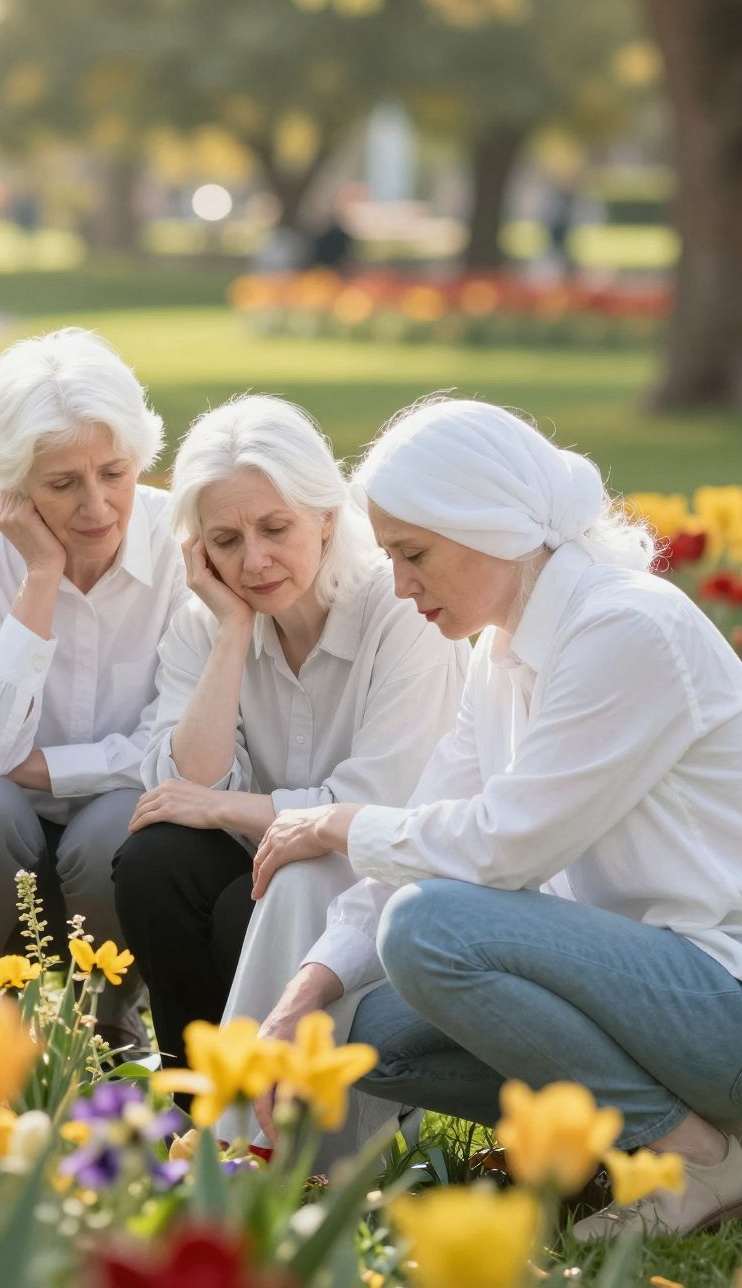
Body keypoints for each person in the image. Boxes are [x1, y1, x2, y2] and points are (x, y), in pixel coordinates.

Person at [248, 397, 742, 1238]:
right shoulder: (497, 655)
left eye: (414, 554)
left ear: (489, 524)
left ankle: (688, 1160)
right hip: (653, 995)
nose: (401, 584)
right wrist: (303, 996)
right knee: (361, 1035)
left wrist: (339, 824)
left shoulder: (626, 627)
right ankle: (664, 1128)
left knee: (428, 930)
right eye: (390, 558)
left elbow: (504, 846)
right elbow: (429, 832)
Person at [114, 395, 465, 1151]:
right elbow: (184, 782)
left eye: (275, 529)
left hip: (376, 877)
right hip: (266, 861)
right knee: (154, 861)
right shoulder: (206, 623)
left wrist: (224, 809)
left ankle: (295, 1128)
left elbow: (377, 806)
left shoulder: (401, 612)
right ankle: (196, 1112)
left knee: (265, 896)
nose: (254, 561)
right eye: (226, 540)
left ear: (327, 517)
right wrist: (232, 633)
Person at [0, 328, 187, 1038]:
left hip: (113, 834)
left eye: (114, 473)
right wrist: (41, 577)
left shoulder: (183, 545)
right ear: (13, 483)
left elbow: (173, 750)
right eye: (62, 483)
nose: (97, 506)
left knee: (129, 824)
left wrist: (34, 767)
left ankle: (110, 1015)